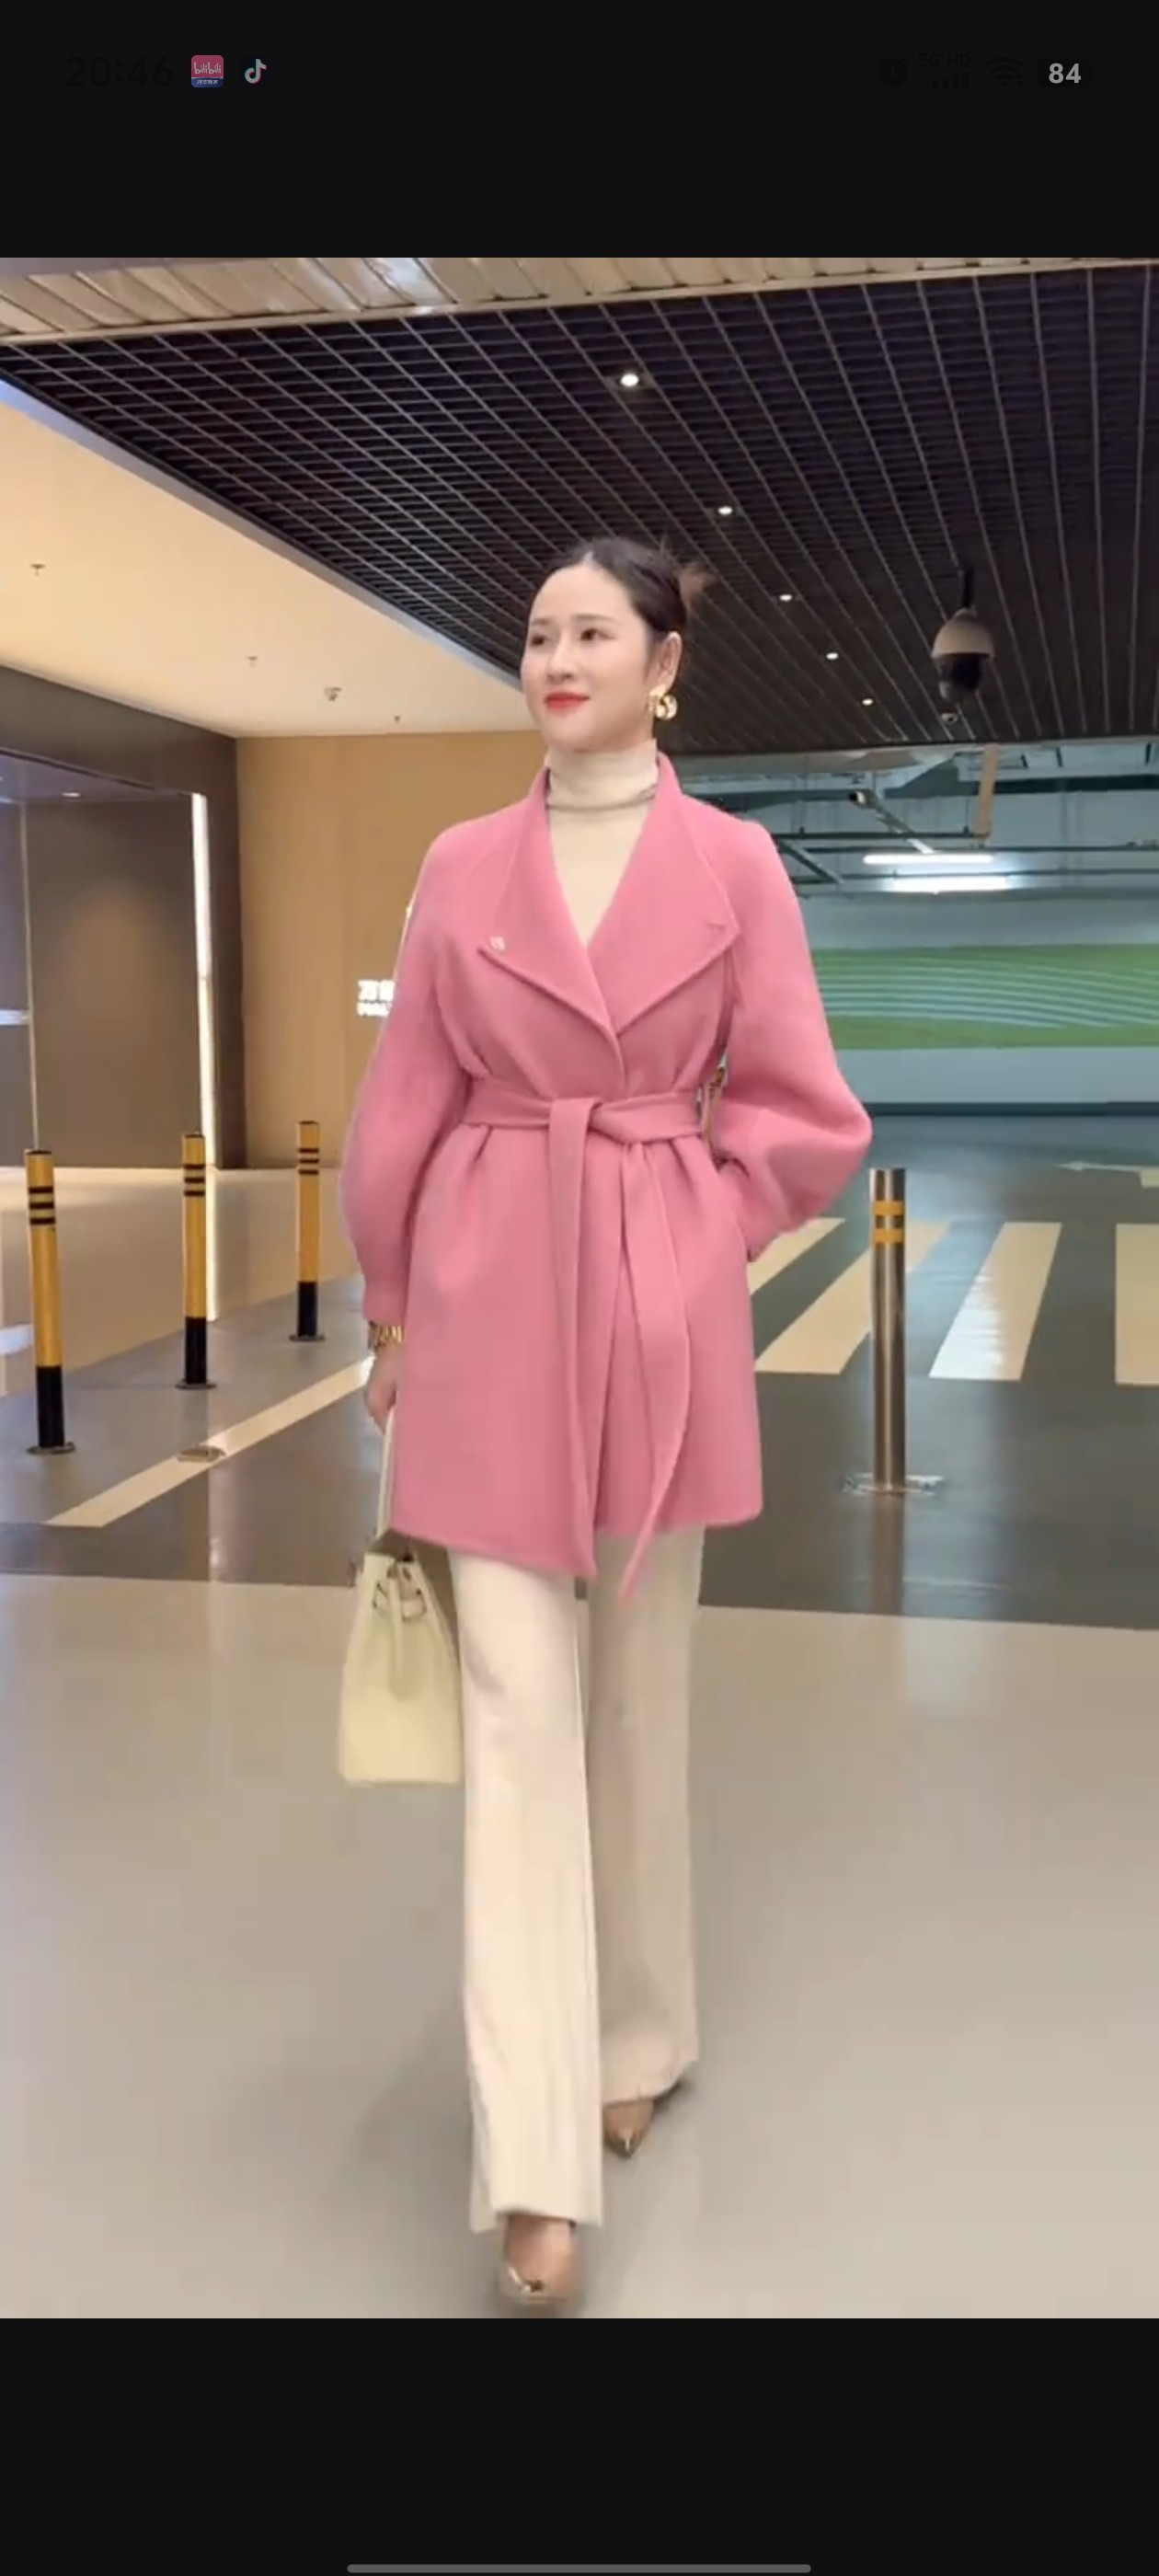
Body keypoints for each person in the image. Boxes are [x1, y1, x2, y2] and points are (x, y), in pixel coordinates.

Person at [341, 535, 871, 2313]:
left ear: (663, 667)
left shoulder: (735, 865)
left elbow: (801, 1107)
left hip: (654, 1293)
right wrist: (393, 1302)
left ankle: (639, 2036)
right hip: (490, 1287)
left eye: (592, 632)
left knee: (638, 1701)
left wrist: (701, 1225)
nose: (556, 657)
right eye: (536, 633)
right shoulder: (459, 863)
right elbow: (405, 1095)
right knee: (515, 1712)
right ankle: (534, 2160)